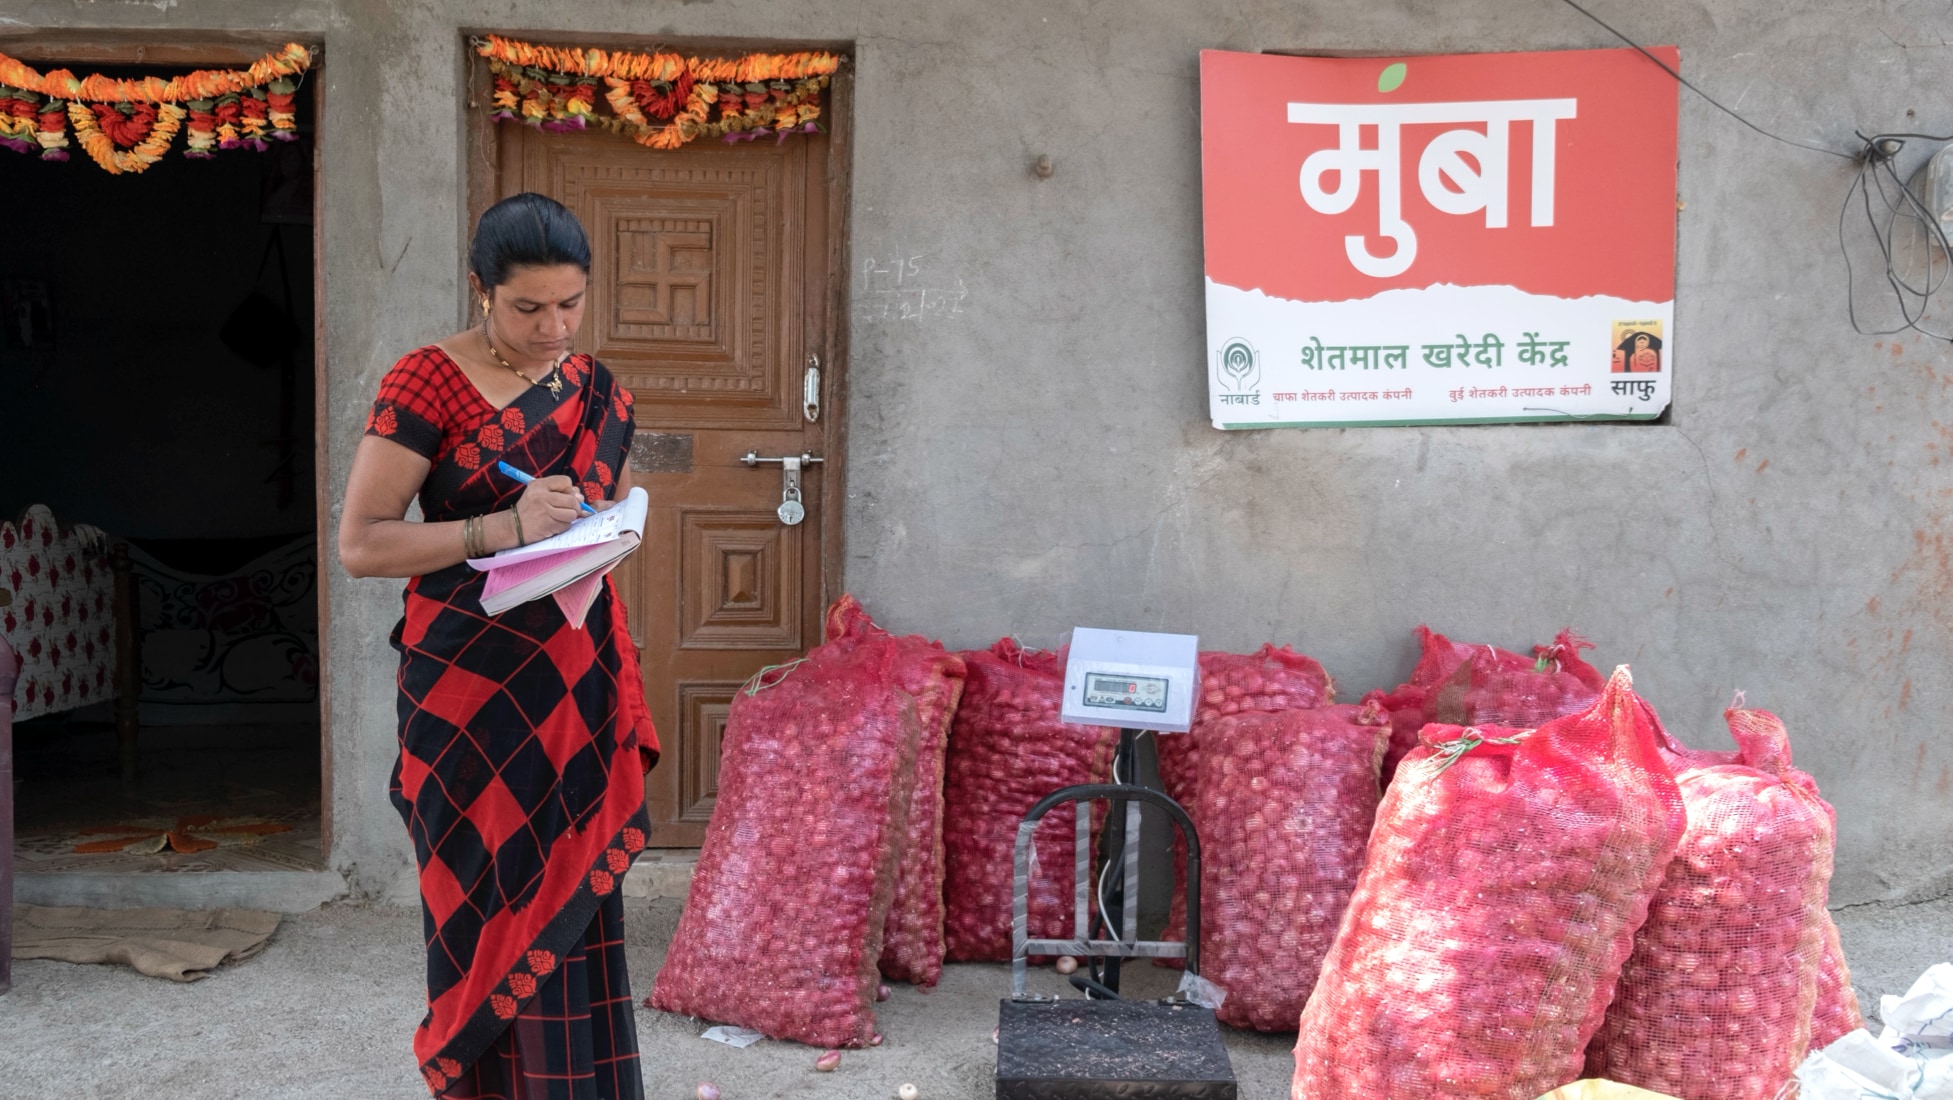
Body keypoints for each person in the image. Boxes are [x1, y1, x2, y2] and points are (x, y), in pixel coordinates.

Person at [339, 192, 658, 1100]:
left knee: (575, 906)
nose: (552, 327)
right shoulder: (425, 381)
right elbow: (363, 543)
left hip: (571, 682)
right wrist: (499, 528)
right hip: (467, 696)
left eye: (570, 304)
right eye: (527, 308)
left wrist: (607, 530)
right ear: (482, 290)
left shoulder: (598, 392)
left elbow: (608, 514)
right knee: (478, 906)